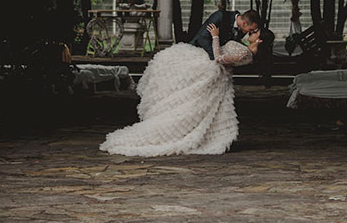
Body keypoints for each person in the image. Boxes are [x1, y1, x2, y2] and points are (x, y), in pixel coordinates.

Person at [99, 23, 264, 156]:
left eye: (256, 32)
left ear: (260, 40)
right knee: (189, 99)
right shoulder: (246, 49)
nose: (253, 32)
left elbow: (220, 58)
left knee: (196, 105)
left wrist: (215, 37)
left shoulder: (245, 53)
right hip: (214, 72)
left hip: (212, 70)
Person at [189, 8, 261, 59]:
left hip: (219, 57)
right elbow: (203, 38)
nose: (251, 32)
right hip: (198, 52)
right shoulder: (221, 16)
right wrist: (216, 58)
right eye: (251, 29)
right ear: (244, 23)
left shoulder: (243, 29)